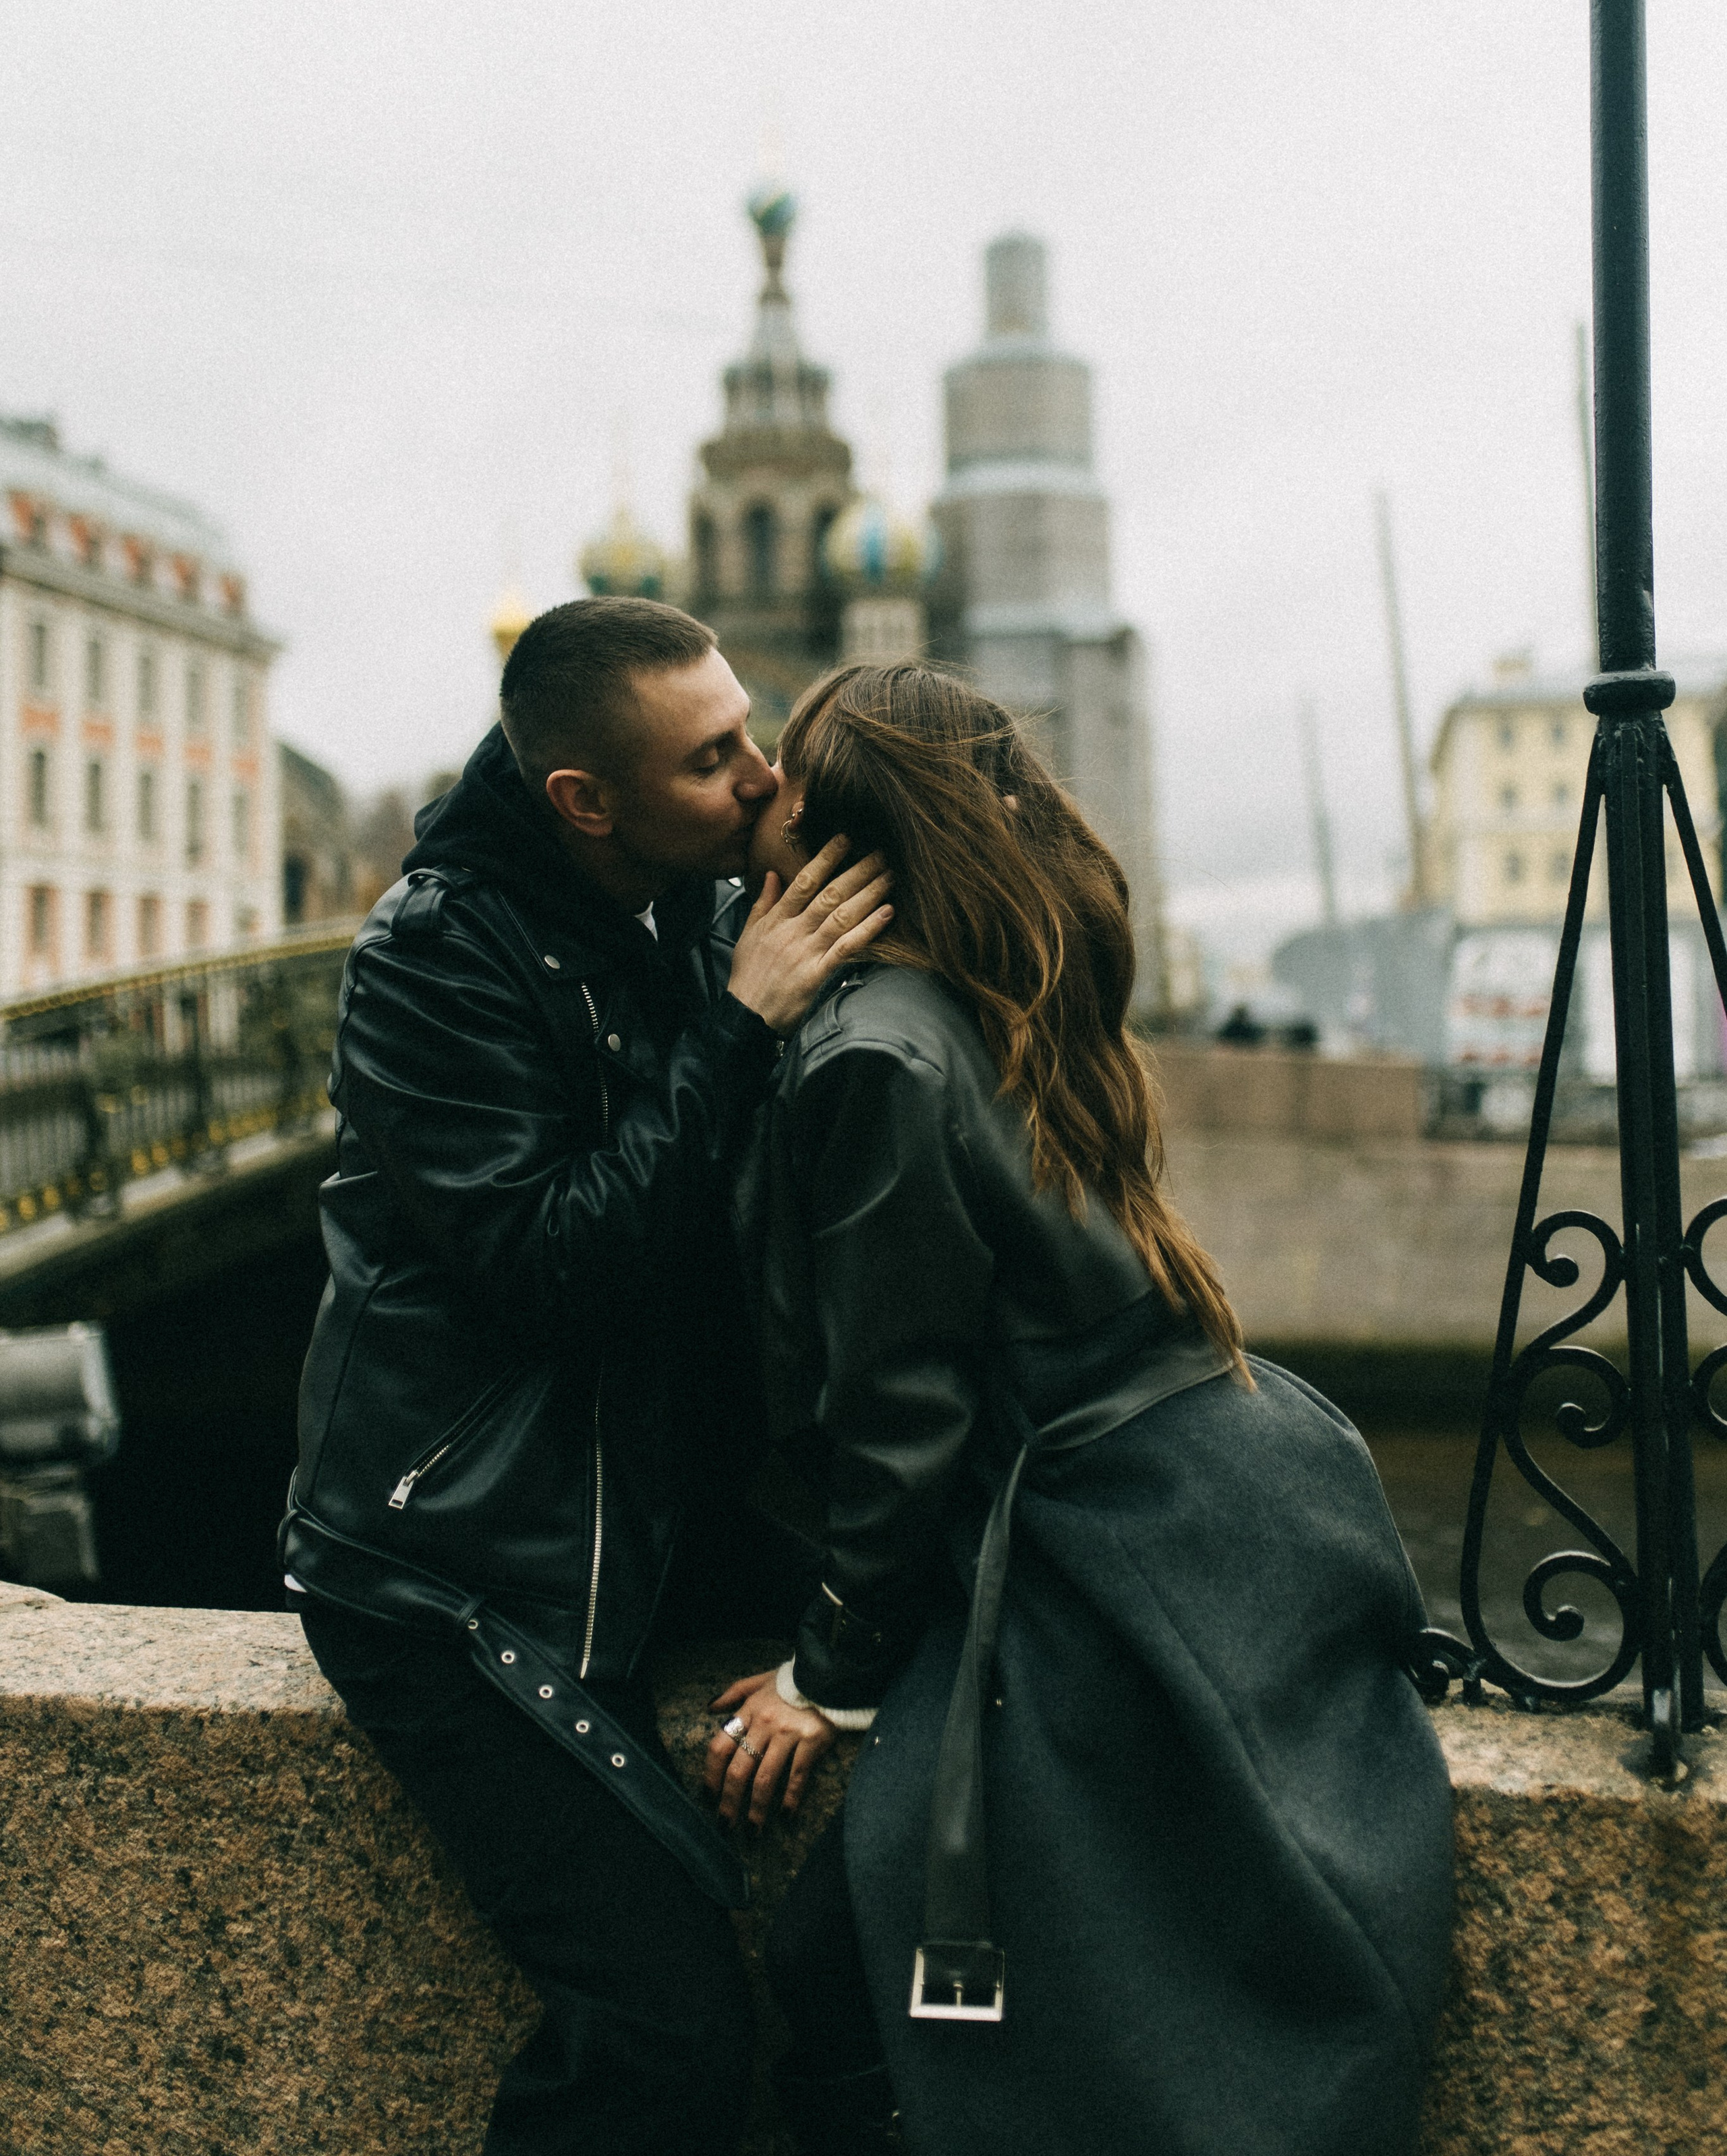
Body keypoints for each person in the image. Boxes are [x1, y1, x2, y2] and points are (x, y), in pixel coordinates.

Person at [705, 662, 1454, 2156]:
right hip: (1232, 1490)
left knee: (838, 1968)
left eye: (780, 769)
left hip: (1108, 1541)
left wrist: (829, 1675)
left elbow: (898, 1407)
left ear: (840, 831)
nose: (754, 795)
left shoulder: (871, 1053)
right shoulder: (1000, 984)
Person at [281, 597, 892, 2156]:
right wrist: (746, 1022)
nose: (760, 778)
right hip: (450, 1565)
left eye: (750, 733)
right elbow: (557, 1264)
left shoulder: (676, 900)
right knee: (668, 2024)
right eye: (712, 761)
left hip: (639, 1505)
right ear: (582, 801)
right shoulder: (430, 962)